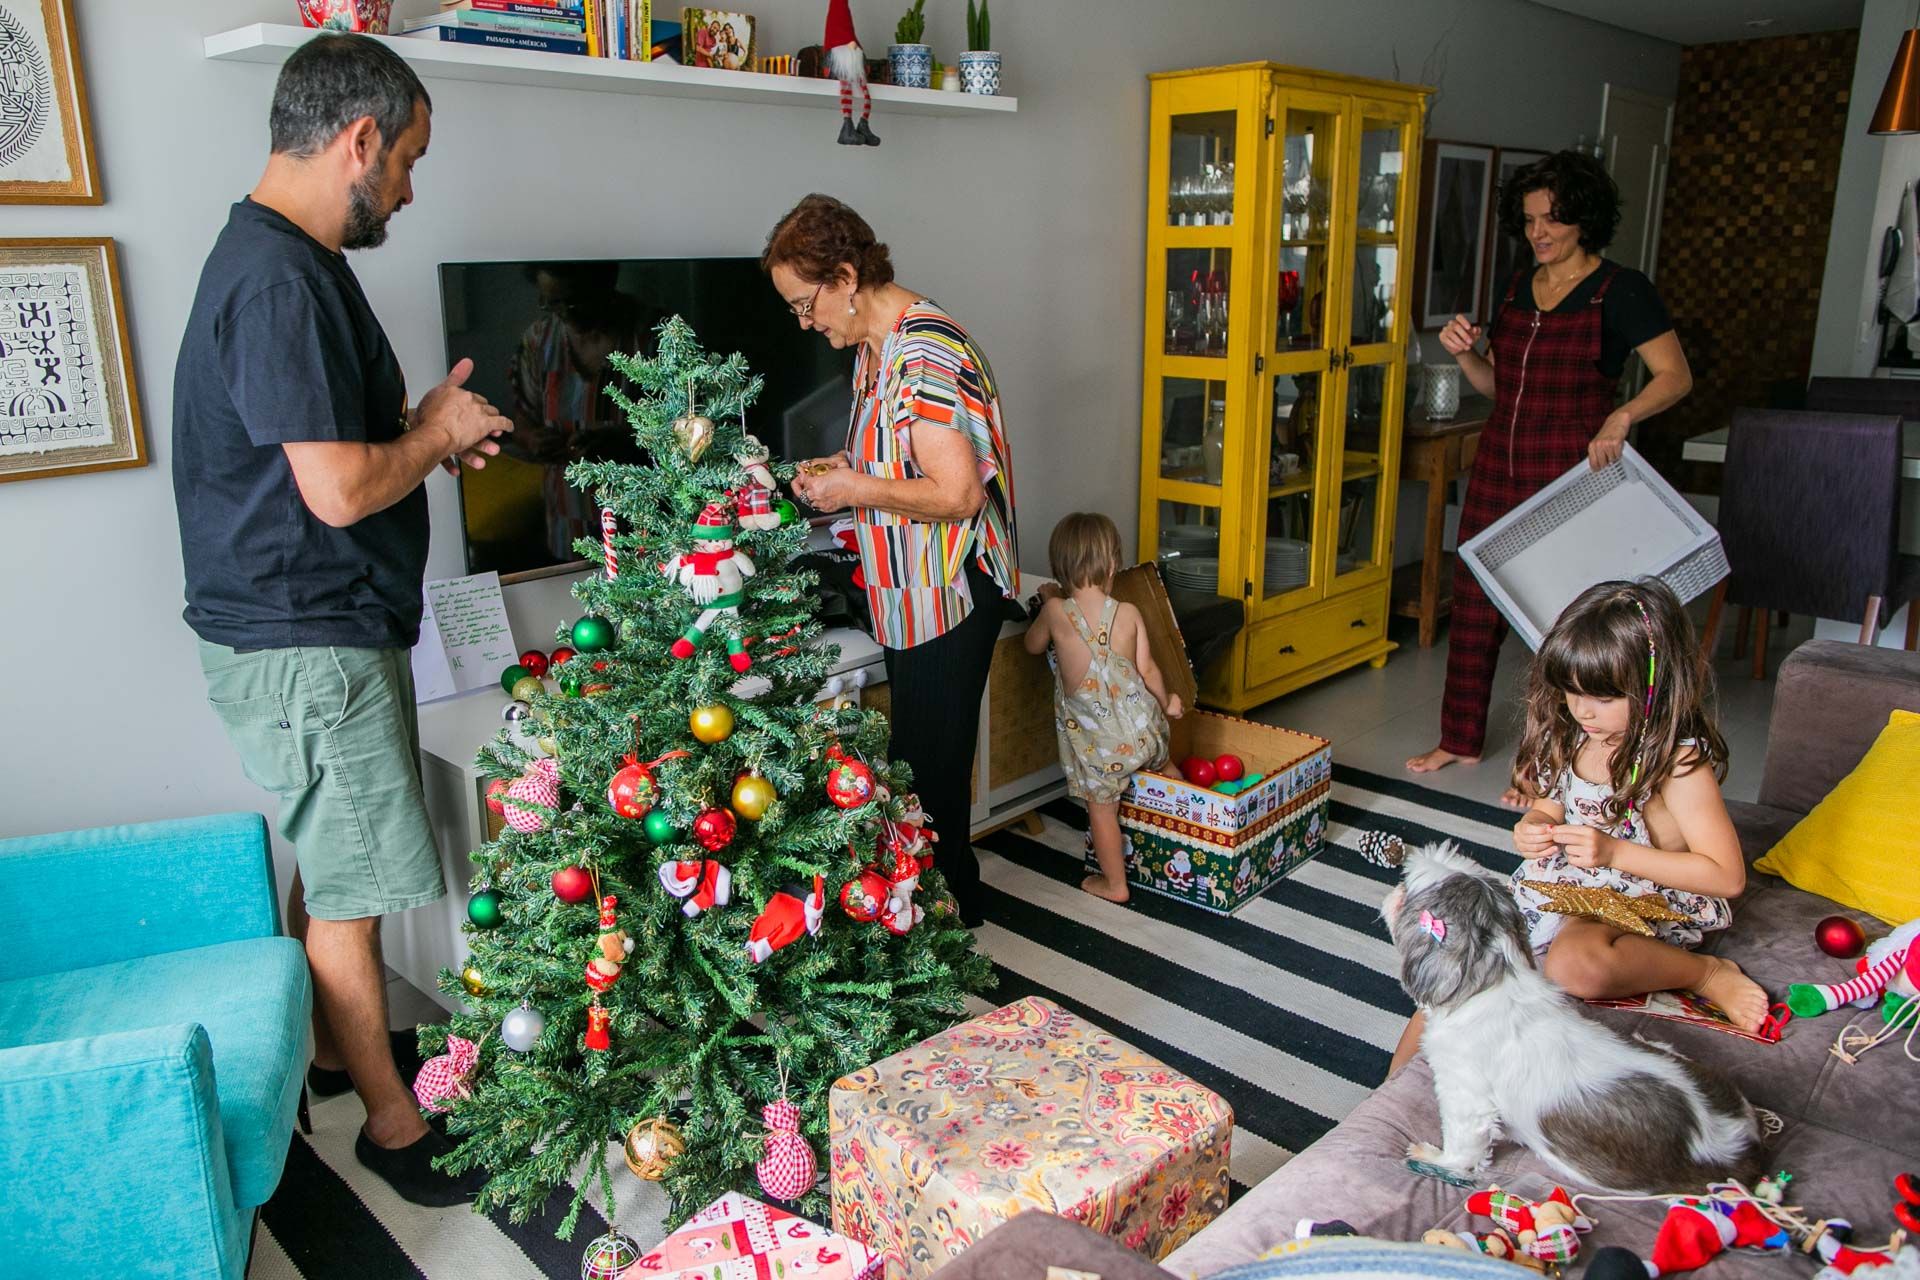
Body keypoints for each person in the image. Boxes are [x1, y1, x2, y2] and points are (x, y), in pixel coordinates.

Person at [172, 34, 508, 1205]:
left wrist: (424, 422)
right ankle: (393, 1125)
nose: (410, 189)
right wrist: (435, 439)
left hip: (309, 629)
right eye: (408, 160)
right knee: (356, 888)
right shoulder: (277, 277)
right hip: (305, 640)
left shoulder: (285, 260)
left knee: (334, 857)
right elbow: (338, 489)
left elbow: (329, 456)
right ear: (358, 139)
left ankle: (330, 1052)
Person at [1406, 151, 1694, 805]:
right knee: (1475, 606)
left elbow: (1677, 376)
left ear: (1584, 220)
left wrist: (1621, 415)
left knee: (1560, 624)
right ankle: (1460, 738)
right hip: (1498, 467)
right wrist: (1467, 355)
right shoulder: (1516, 285)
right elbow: (1498, 384)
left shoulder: (1621, 290)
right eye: (1531, 220)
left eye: (1553, 220)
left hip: (1569, 479)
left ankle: (1548, 765)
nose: (1539, 233)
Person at [764, 193, 1018, 927]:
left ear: (846, 276)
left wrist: (852, 488)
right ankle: (945, 911)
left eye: (805, 303)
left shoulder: (927, 351)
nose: (805, 322)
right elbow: (894, 456)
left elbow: (959, 493)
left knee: (928, 777)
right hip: (909, 583)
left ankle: (949, 930)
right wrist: (841, 470)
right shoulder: (876, 349)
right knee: (918, 768)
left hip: (952, 584)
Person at [1389, 580, 1766, 1075]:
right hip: (1567, 888)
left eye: (1603, 697)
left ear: (1655, 687)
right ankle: (1389, 1094)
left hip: (1642, 899)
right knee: (1464, 962)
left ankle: (1706, 973)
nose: (1583, 710)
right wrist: (1536, 823)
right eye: (1572, 692)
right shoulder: (1576, 737)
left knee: (1574, 966)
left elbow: (1726, 876)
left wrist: (1614, 854)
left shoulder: (1677, 763)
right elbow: (1552, 803)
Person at [1025, 513, 1182, 903]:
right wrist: (1169, 702)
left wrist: (1048, 602)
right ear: (1112, 565)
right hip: (1146, 728)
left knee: (1102, 809)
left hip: (1101, 749)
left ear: (1058, 567)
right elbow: (1148, 669)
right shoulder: (1128, 612)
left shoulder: (1056, 612)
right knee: (1165, 767)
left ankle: (1115, 884)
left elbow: (1031, 645)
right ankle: (1188, 829)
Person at [503, 262, 658, 563]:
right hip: (566, 526)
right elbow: (522, 418)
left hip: (645, 528)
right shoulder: (538, 341)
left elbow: (690, 430)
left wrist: (625, 445)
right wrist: (534, 439)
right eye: (551, 302)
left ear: (606, 284)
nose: (564, 312)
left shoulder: (652, 335)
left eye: (573, 300)